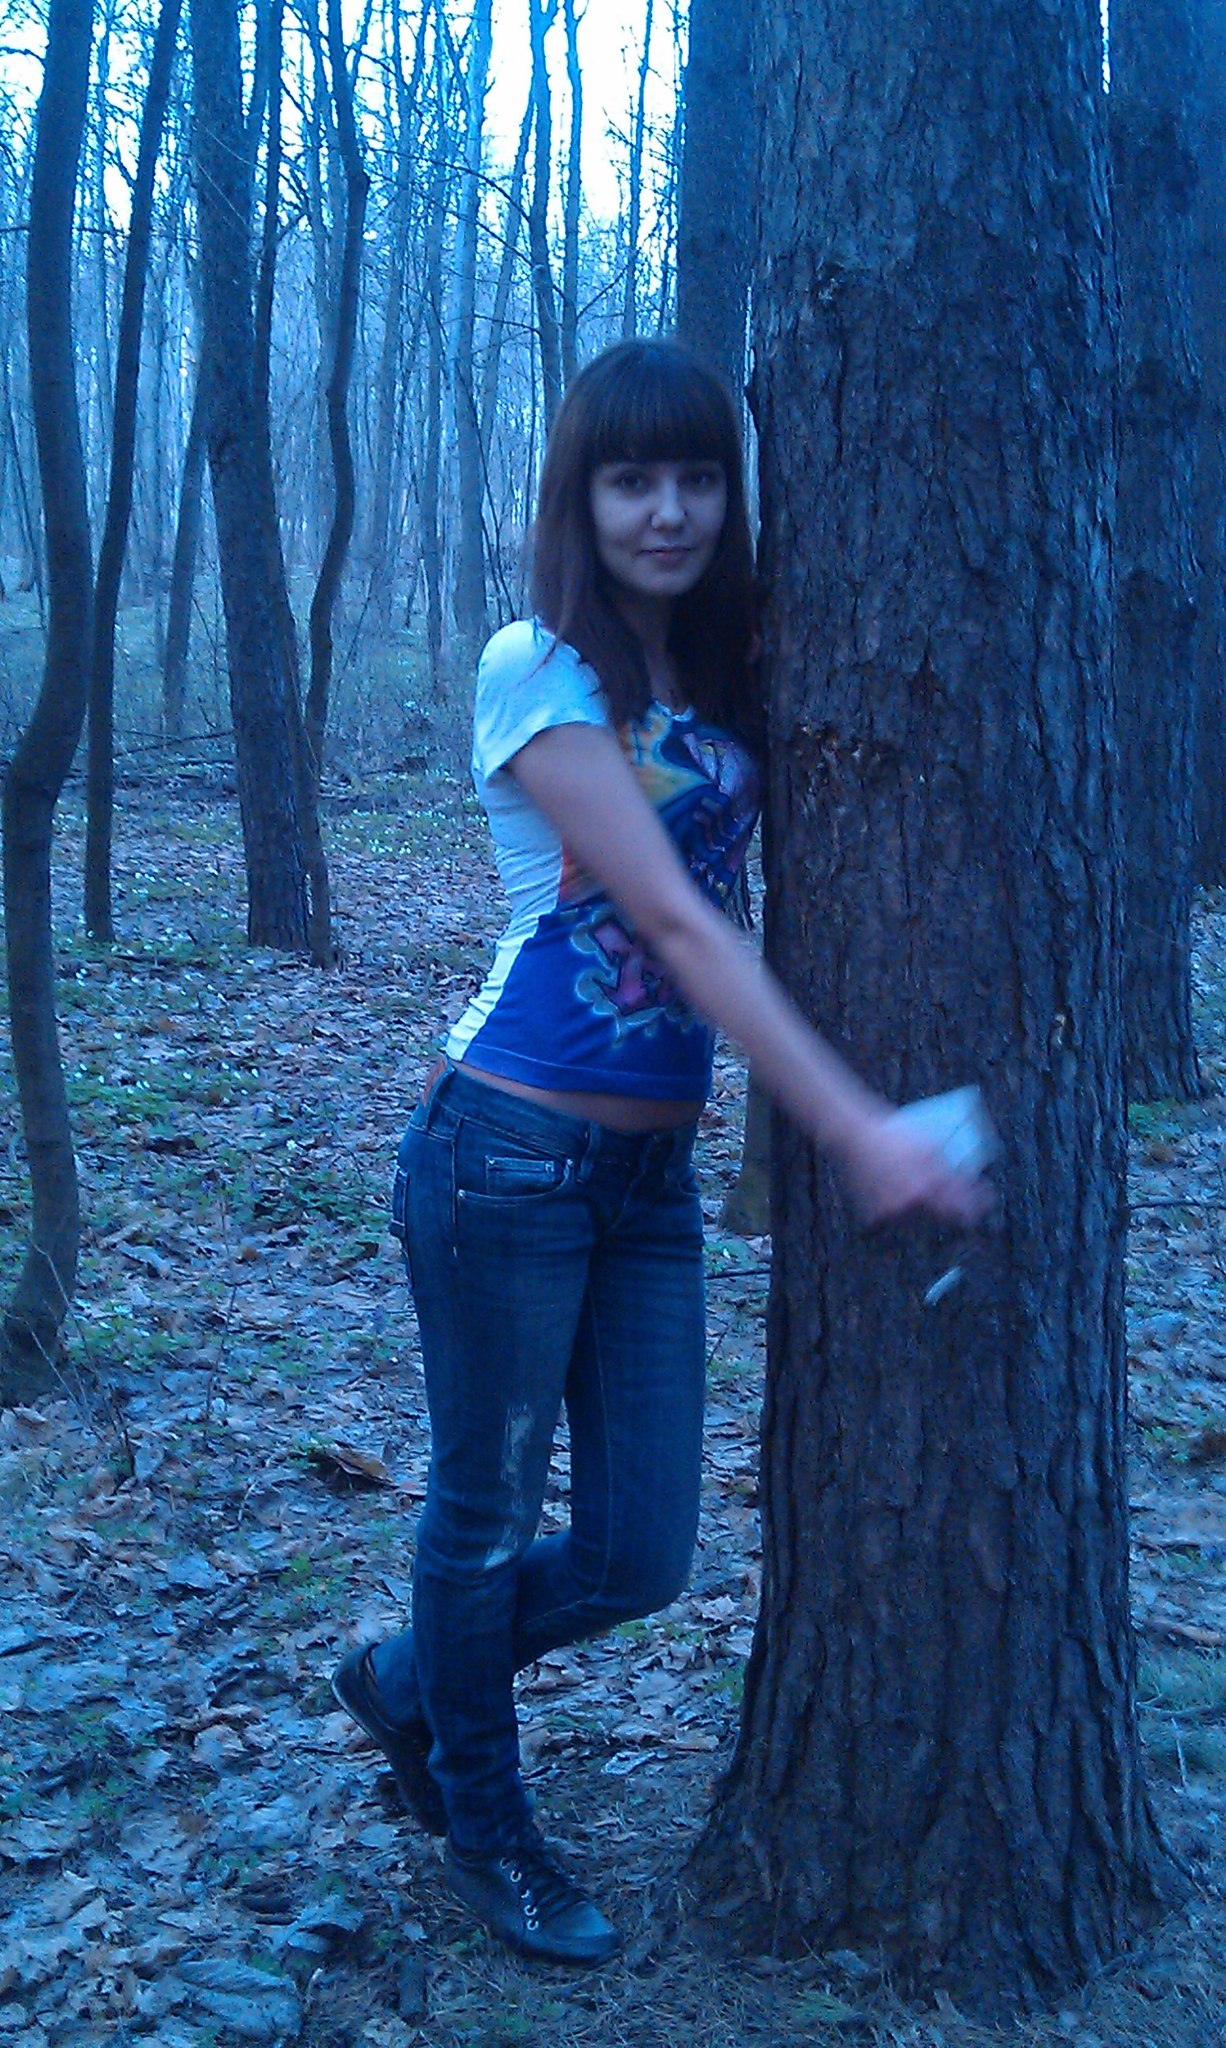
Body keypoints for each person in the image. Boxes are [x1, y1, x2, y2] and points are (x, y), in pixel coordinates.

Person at [333, 339, 989, 1967]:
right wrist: (856, 1127)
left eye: (697, 476)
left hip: (644, 1186)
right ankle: (486, 1824)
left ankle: (408, 1682)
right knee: (482, 1518)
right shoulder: (537, 666)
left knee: (640, 1552)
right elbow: (682, 928)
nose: (669, 510)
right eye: (633, 480)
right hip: (503, 1157)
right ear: (581, 495)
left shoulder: (718, 662)